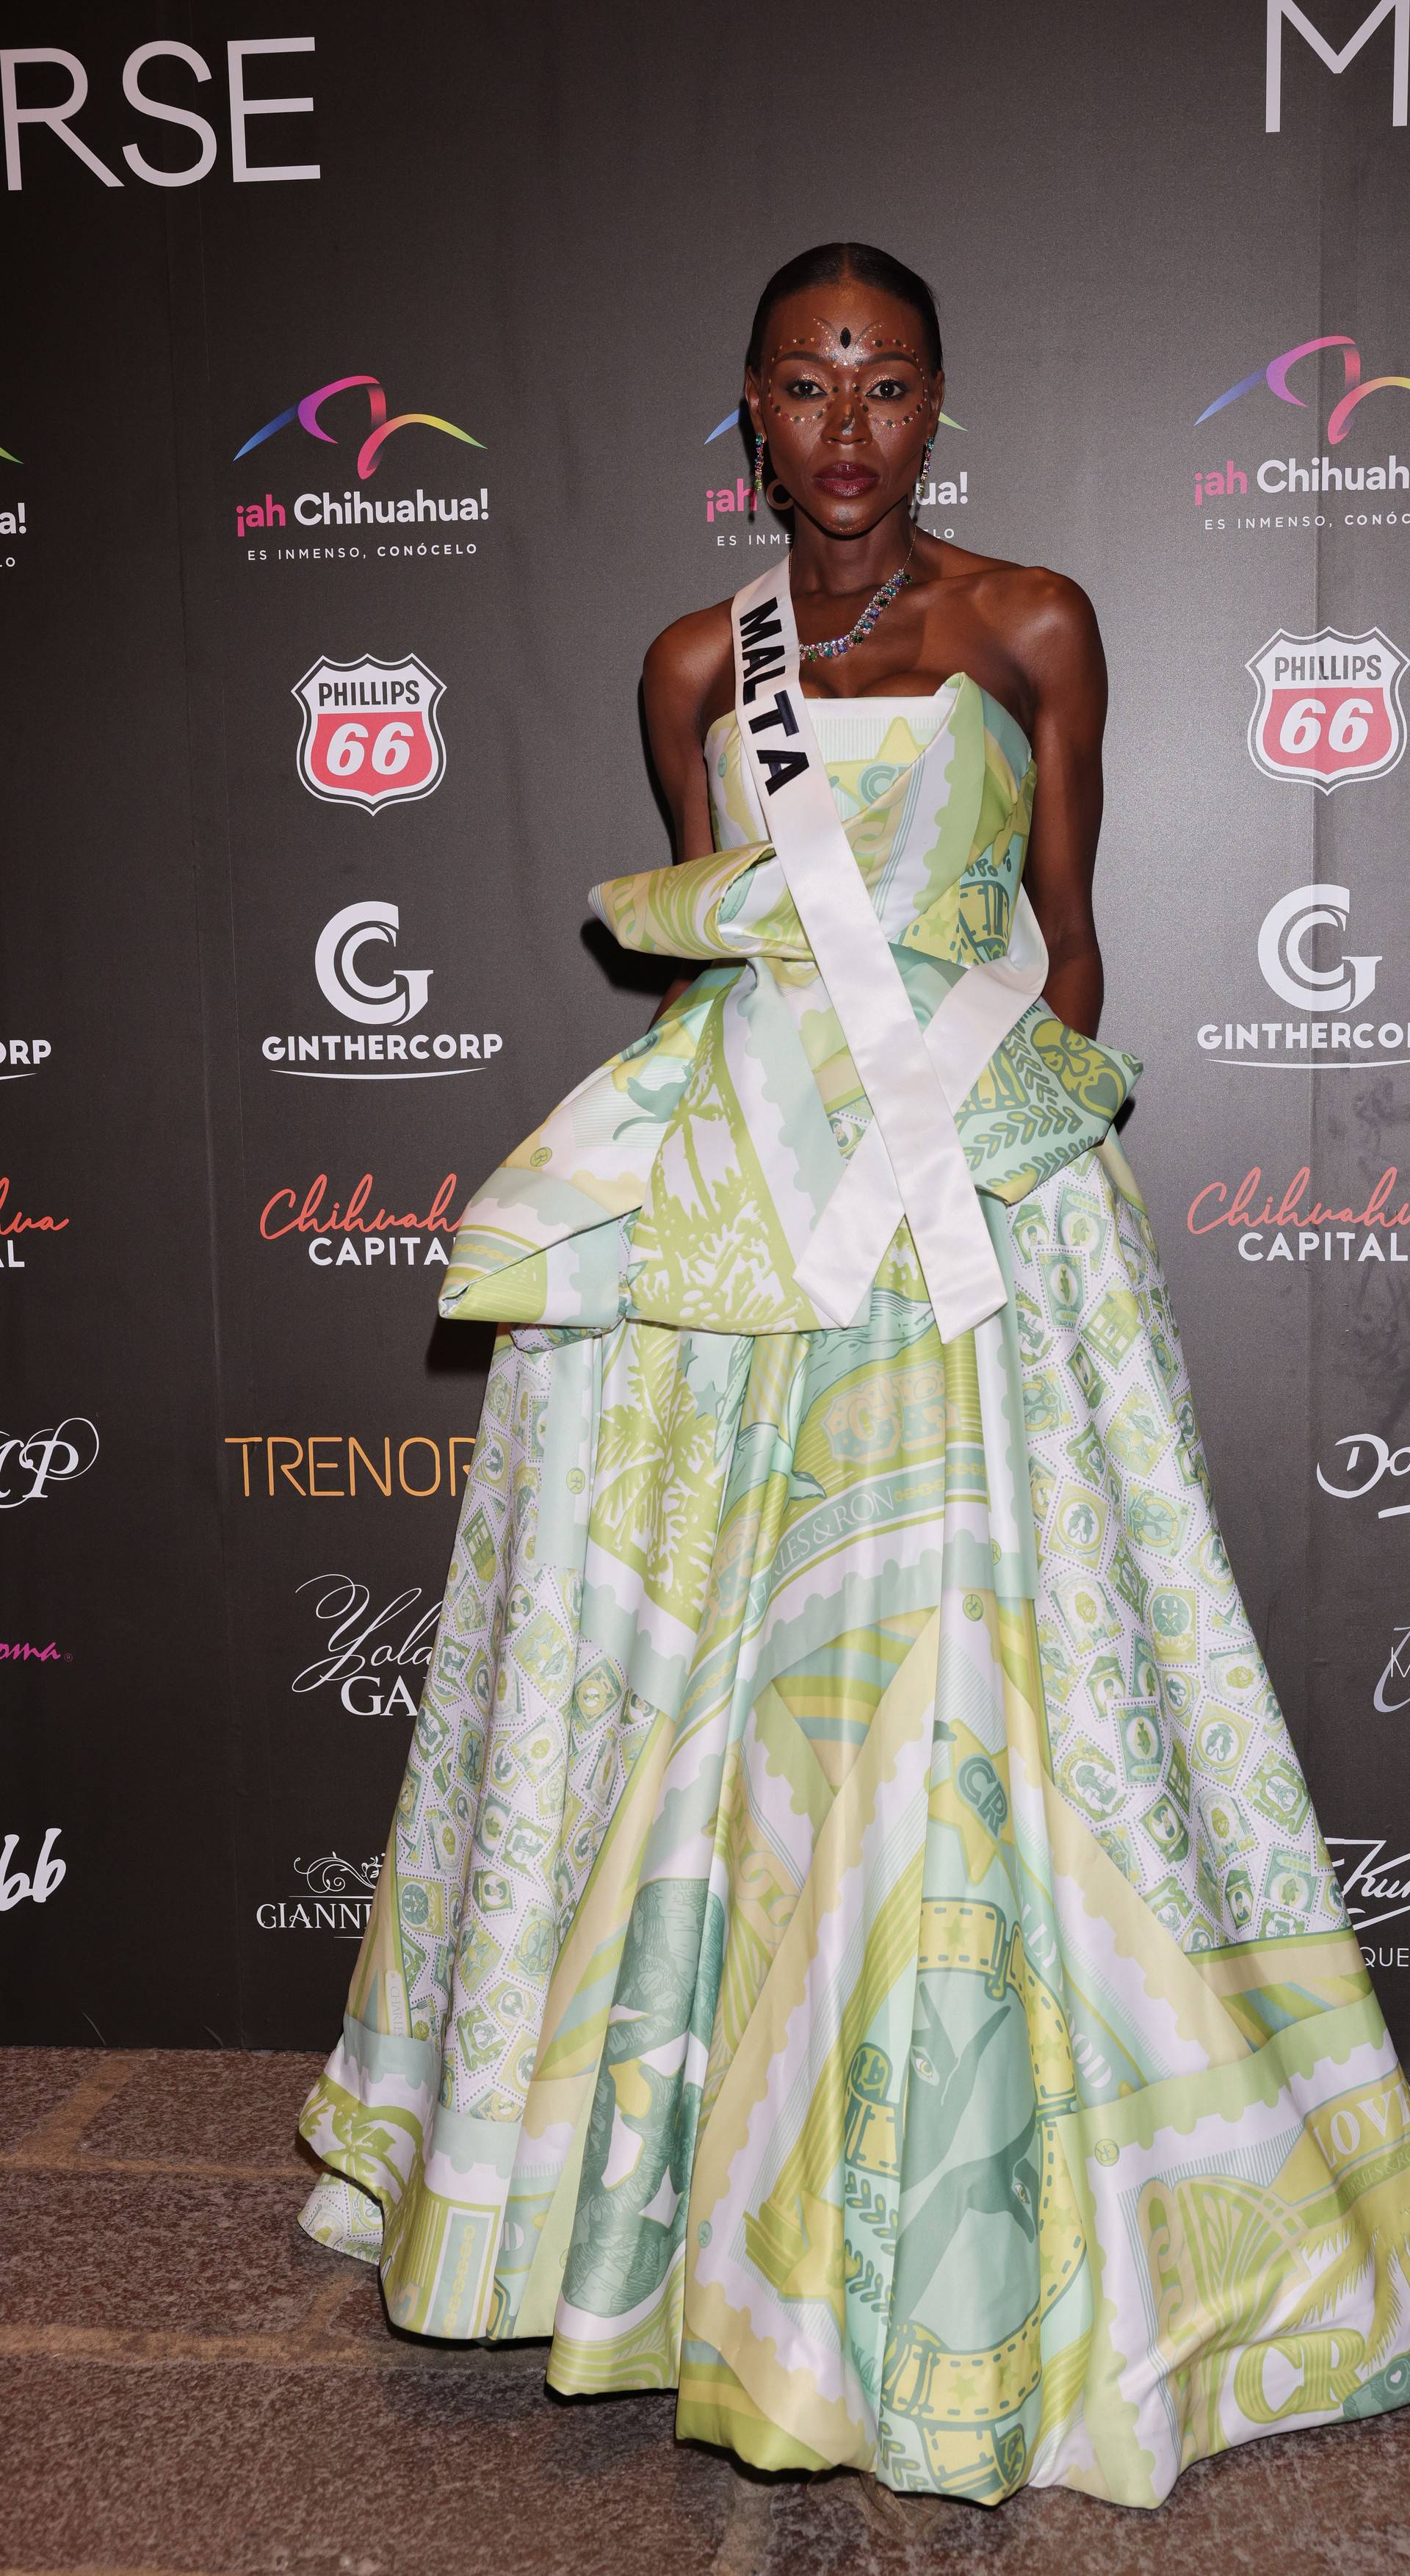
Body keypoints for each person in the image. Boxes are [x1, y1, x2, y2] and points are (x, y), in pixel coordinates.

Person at [297, 242, 1410, 2505]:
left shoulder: (1035, 621)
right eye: (806, 384)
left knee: (960, 1691)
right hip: (754, 1223)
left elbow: (1070, 937)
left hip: (968, 1203)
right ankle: (715, 2235)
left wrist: (1026, 1177)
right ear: (748, 412)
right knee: (726, 1694)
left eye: (887, 383)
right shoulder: (701, 663)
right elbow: (717, 949)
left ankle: (990, 2220)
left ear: (935, 410)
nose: (845, 423)